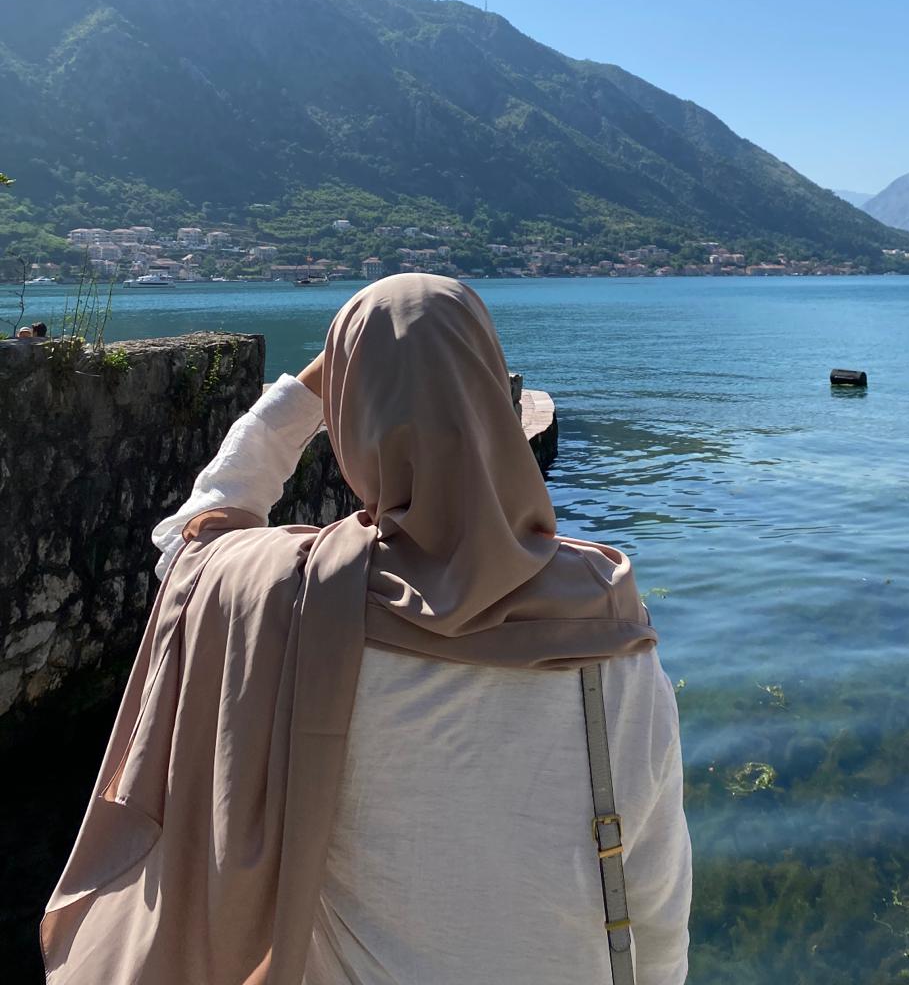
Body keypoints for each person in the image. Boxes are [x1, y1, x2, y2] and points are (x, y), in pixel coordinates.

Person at [43, 274, 691, 984]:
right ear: (492, 401)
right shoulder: (609, 620)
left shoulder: (294, 600)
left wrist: (310, 392)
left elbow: (190, 545)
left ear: (356, 423)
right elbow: (655, 892)